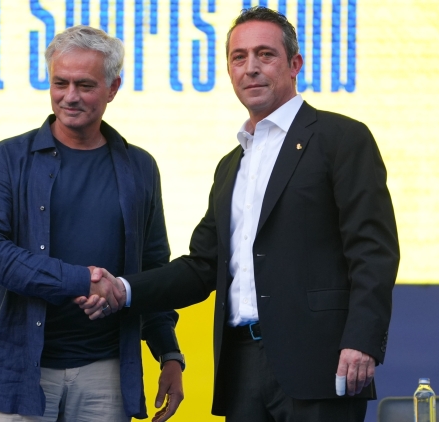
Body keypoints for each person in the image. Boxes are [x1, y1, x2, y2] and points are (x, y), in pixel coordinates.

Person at [80, 7, 399, 422]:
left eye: (265, 54)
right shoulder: (231, 165)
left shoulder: (341, 138)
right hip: (241, 367)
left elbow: (373, 251)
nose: (251, 68)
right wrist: (124, 289)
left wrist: (362, 341)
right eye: (239, 57)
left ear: (295, 64)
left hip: (321, 363)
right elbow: (202, 267)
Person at [0, 25, 184, 422]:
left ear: (113, 88)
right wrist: (80, 281)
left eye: (85, 85)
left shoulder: (141, 167)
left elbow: (153, 270)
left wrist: (168, 352)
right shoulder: (5, 159)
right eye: (60, 83)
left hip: (107, 373)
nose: (70, 96)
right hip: (17, 373)